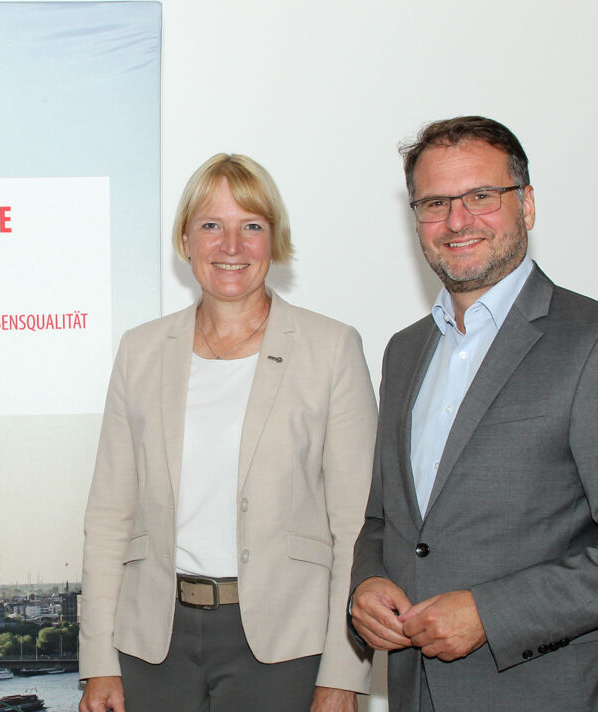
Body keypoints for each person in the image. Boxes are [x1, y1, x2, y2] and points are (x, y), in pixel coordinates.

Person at [349, 116, 598, 711]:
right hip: (416, 690)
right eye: (434, 203)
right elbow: (385, 521)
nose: (457, 220)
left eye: (481, 196)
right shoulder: (404, 351)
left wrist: (491, 612)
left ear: (526, 205)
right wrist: (368, 582)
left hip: (552, 693)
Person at [78, 153, 376, 712]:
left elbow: (356, 526)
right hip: (152, 644)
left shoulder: (331, 349)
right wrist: (97, 662)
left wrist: (344, 673)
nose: (230, 245)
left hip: (285, 644)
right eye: (211, 225)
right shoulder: (140, 352)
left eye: (251, 227)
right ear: (186, 240)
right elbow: (108, 518)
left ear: (274, 241)